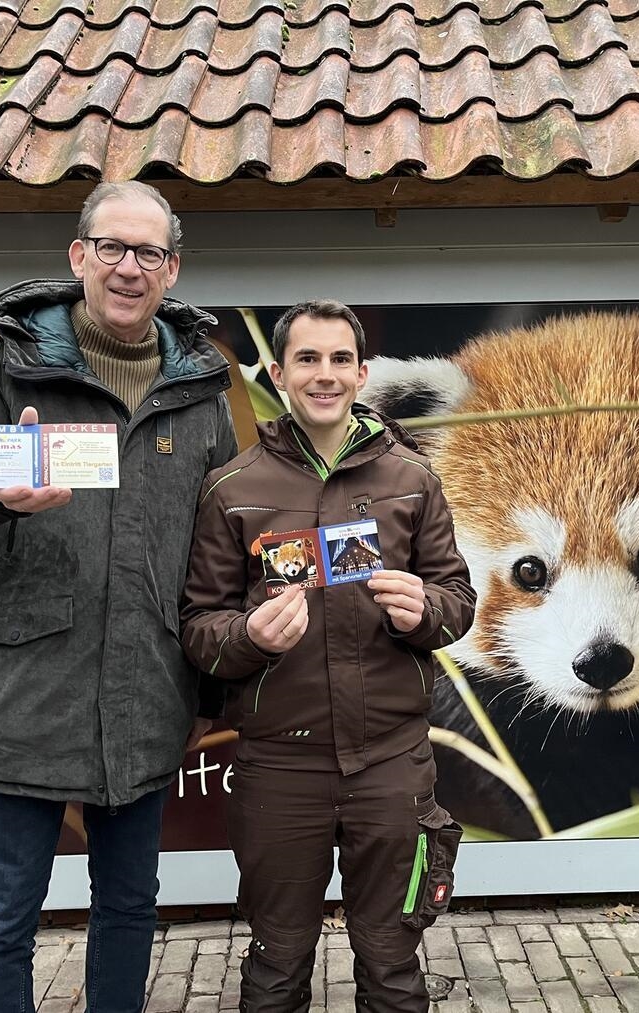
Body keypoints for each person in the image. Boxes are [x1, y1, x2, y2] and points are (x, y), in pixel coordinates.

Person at [0, 181, 237, 1013]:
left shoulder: (200, 391)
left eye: (148, 253)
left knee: (130, 907)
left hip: (146, 693)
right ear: (78, 256)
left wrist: (211, 689)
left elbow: (220, 554)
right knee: (4, 914)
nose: (128, 268)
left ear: (172, 269)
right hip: (20, 698)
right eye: (111, 247)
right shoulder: (0, 363)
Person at [180, 300, 477, 1013]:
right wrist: (249, 636)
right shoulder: (234, 488)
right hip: (281, 764)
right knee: (277, 963)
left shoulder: (412, 480)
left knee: (392, 961)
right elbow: (197, 625)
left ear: (362, 373)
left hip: (390, 762)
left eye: (340, 359)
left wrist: (425, 611)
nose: (325, 375)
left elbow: (457, 598)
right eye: (308, 359)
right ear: (279, 373)